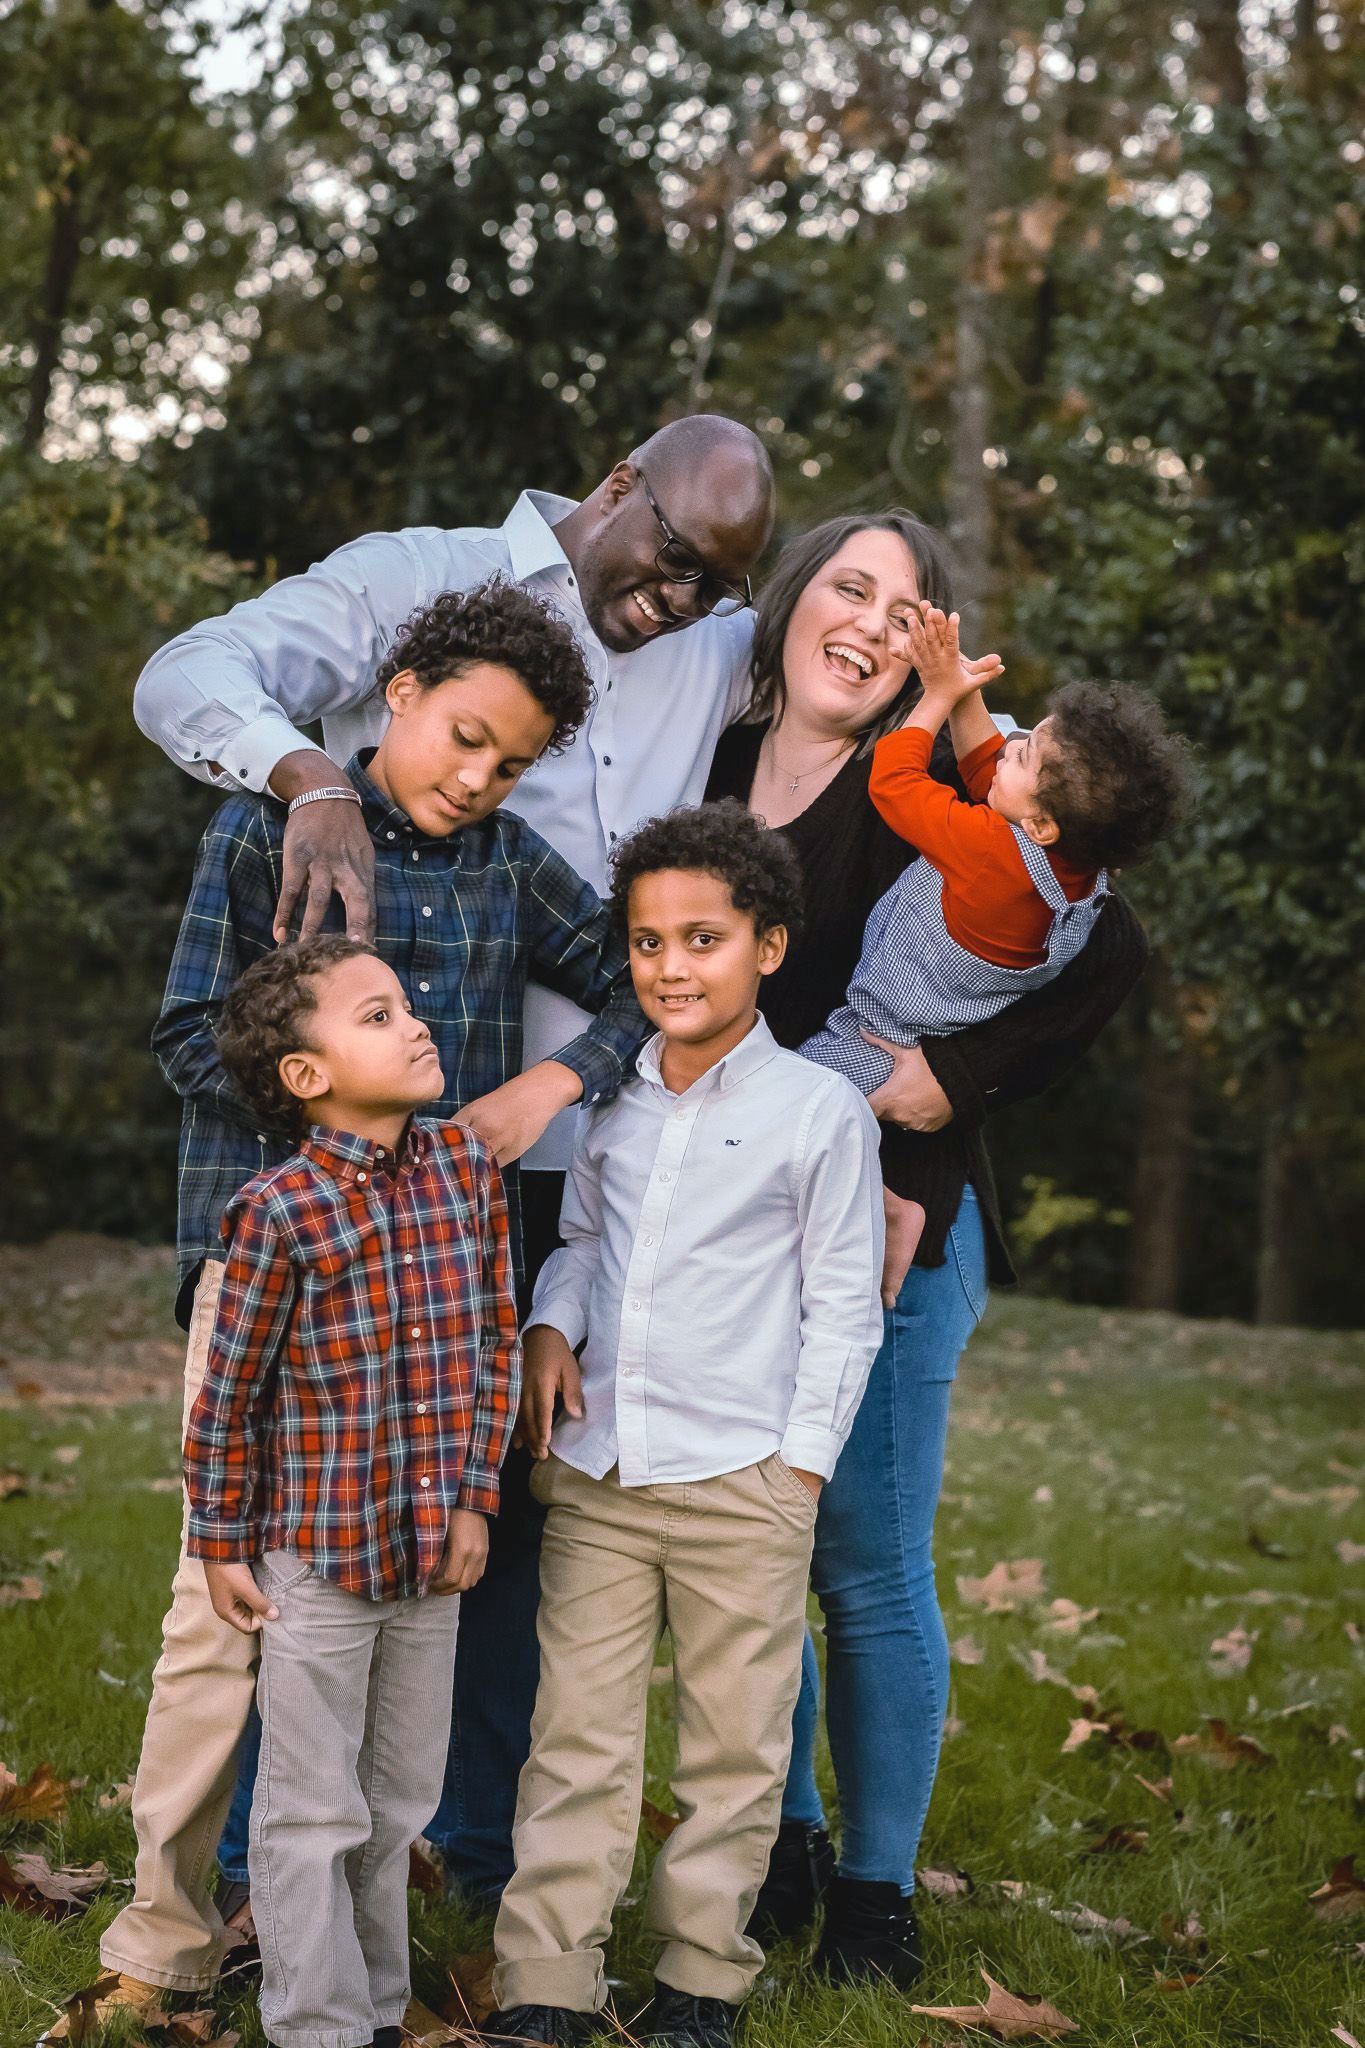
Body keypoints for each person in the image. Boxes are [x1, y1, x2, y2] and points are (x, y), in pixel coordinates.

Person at [131, 414, 778, 1908]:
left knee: (462, 1562)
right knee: (245, 1588)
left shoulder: (558, 800)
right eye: (670, 557)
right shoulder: (395, 620)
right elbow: (188, 692)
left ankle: (438, 1878)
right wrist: (312, 786)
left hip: (492, 1219)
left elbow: (627, 958)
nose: (677, 600)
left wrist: (551, 1080)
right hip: (289, 1239)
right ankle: (200, 1910)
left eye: (710, 587)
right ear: (618, 486)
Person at [99, 582, 646, 2016]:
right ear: (398, 690)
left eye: (511, 762)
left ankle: (347, 1920)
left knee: (390, 1600)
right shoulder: (270, 830)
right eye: (464, 736)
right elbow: (181, 1031)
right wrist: (345, 1154)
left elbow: (641, 987)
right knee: (222, 1622)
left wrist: (555, 1080)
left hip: (431, 1305)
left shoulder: (511, 868)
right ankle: (163, 1934)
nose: (478, 777)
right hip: (273, 1266)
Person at [704, 511, 1151, 1986]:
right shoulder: (688, 756)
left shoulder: (967, 757)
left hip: (896, 1211)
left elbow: (1110, 938)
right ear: (789, 606)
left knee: (860, 1559)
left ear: (928, 641)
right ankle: (782, 1841)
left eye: (908, 606)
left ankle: (876, 1904)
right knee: (741, 1553)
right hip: (722, 1219)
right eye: (849, 585)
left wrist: (950, 1089)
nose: (875, 621)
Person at [481, 804, 884, 2048]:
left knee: (732, 1747)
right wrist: (551, 1325)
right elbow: (588, 1246)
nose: (670, 967)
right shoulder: (614, 1107)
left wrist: (799, 1469)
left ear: (767, 946)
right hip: (600, 1473)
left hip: (743, 1478)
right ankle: (548, 1975)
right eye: (648, 943)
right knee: (576, 1739)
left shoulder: (822, 1113)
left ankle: (702, 1975)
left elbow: (841, 1306)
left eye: (702, 938)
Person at [183, 935, 519, 2048]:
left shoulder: (465, 1169)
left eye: (405, 1002)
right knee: (311, 1807)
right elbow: (227, 1396)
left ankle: (377, 2008)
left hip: (432, 1557)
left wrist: (475, 1496)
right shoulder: (275, 1213)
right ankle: (313, 2021)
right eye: (375, 1013)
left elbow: (493, 1342)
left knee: (396, 1806)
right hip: (320, 1562)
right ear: (307, 1076)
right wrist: (222, 1543)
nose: (415, 1019)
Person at [802, 600, 1190, 1301]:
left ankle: (892, 1213)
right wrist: (963, 687)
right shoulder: (1072, 867)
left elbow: (893, 783)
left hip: (879, 1037)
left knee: (780, 1109)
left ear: (1039, 822)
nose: (1007, 744)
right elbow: (988, 763)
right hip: (919, 1029)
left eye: (1025, 752)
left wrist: (937, 695)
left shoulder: (988, 858)